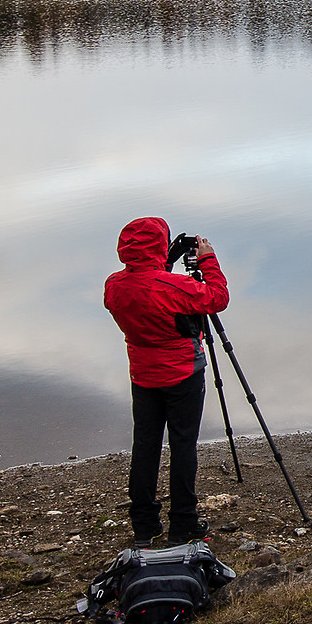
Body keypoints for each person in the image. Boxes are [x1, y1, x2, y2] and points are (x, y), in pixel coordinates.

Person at [103, 217, 228, 547]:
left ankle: (144, 525)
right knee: (183, 445)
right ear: (159, 246)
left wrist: (164, 263)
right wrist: (207, 260)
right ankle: (183, 523)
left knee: (145, 445)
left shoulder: (114, 285)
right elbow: (217, 297)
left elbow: (149, 291)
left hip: (143, 374)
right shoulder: (176, 287)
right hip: (182, 372)